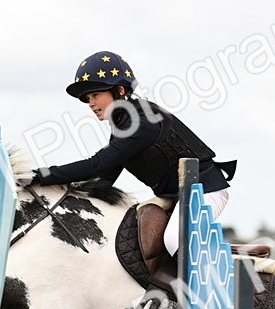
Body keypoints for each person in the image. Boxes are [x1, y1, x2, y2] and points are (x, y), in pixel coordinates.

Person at [32, 51, 236, 288]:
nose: (91, 104)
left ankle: (215, 300)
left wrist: (38, 176)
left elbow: (97, 164)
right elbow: (104, 180)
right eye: (88, 98)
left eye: (96, 95)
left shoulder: (141, 122)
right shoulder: (124, 124)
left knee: (172, 239)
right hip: (176, 195)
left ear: (119, 91)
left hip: (206, 190)